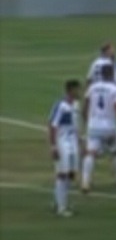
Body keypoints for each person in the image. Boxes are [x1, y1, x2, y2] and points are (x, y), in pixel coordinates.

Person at [81, 64, 116, 192]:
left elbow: (85, 107)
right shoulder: (114, 89)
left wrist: (87, 121)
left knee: (90, 153)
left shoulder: (92, 87)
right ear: (112, 75)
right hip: (109, 126)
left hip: (93, 125)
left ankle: (85, 181)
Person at [48, 79, 82, 217]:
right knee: (62, 174)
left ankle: (58, 201)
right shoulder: (61, 105)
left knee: (71, 174)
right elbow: (52, 125)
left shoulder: (76, 105)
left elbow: (76, 125)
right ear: (70, 90)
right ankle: (61, 207)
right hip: (62, 142)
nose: (79, 92)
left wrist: (80, 141)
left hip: (73, 142)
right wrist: (53, 146)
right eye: (77, 89)